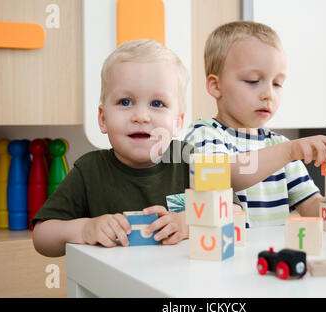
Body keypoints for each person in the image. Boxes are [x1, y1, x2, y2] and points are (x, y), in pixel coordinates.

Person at [32, 39, 242, 257]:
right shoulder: (89, 170)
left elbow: (235, 212)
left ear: (178, 123)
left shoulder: (188, 158)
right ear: (103, 118)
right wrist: (84, 229)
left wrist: (187, 223)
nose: (141, 116)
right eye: (125, 102)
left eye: (157, 104)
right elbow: (42, 237)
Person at [184, 21, 326, 227]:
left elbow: (312, 205)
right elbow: (223, 176)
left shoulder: (280, 145)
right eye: (252, 81)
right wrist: (289, 151)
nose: (269, 94)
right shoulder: (204, 132)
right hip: (228, 255)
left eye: (277, 83)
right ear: (216, 86)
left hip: (273, 256)